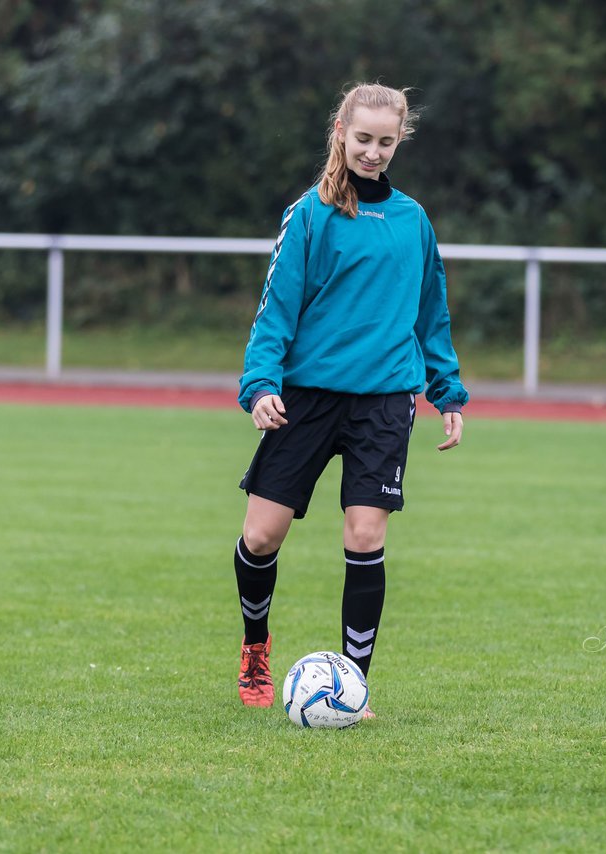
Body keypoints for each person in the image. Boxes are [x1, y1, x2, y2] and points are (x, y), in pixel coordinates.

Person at [230, 83, 469, 714]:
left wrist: (447, 390)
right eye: (363, 138)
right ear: (341, 130)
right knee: (261, 537)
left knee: (365, 537)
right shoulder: (309, 215)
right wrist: (260, 386)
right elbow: (274, 313)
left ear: (399, 141)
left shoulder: (413, 220)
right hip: (306, 398)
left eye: (386, 142)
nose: (373, 152)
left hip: (385, 401)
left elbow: (431, 314)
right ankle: (256, 646)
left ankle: (353, 685)